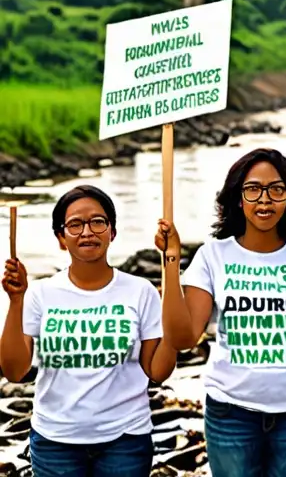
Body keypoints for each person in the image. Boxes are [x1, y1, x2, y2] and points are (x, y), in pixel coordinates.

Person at [158, 148, 286, 477]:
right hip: (231, 416)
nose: (264, 200)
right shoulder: (213, 256)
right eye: (253, 189)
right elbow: (182, 337)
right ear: (238, 198)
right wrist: (170, 261)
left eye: (276, 190)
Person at [1, 185, 178, 477]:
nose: (87, 232)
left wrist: (172, 321)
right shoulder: (41, 293)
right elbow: (14, 371)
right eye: (75, 225)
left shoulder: (140, 291)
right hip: (55, 442)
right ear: (61, 238)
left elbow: (157, 372)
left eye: (98, 222)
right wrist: (16, 301)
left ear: (112, 232)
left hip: (126, 441)